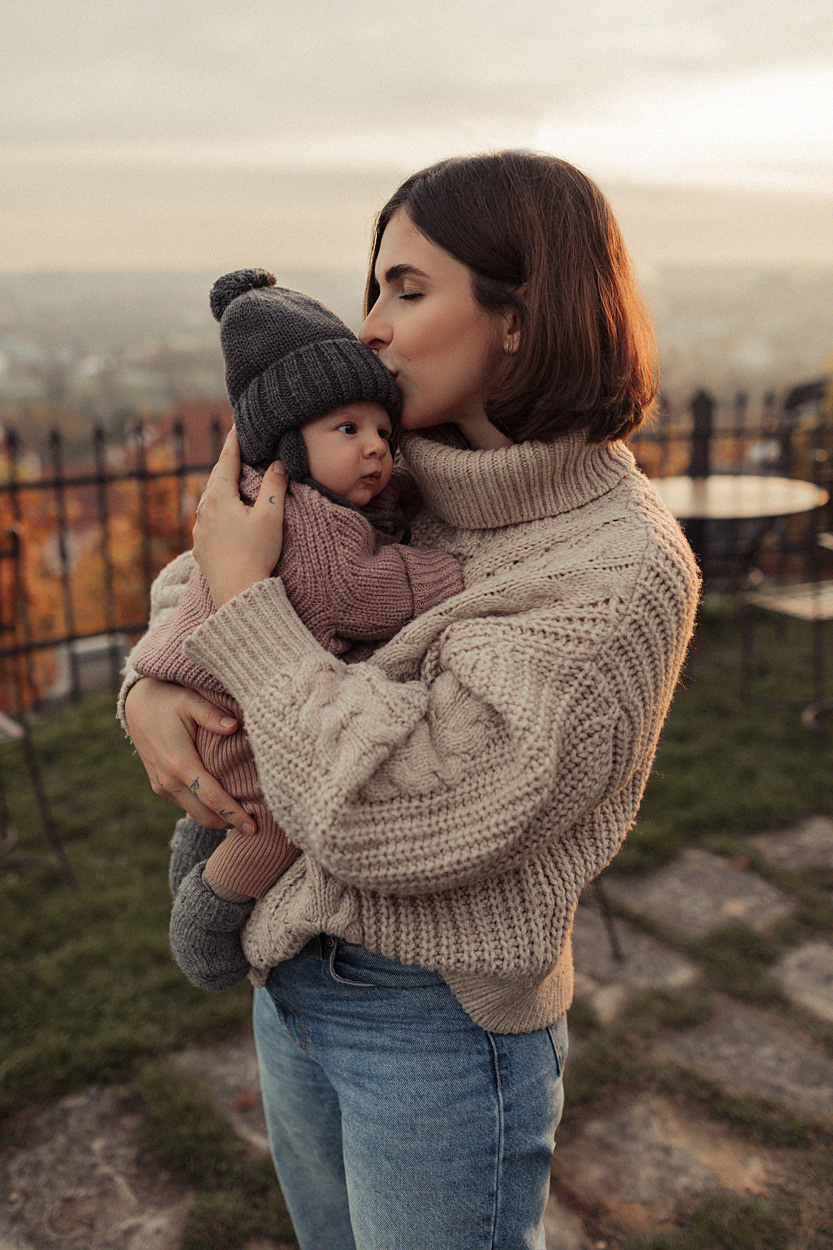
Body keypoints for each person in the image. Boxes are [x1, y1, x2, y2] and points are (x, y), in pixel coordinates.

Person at [120, 151, 700, 1250]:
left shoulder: (616, 568)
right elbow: (206, 566)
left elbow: (400, 812)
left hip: (433, 1022)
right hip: (288, 970)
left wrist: (241, 610)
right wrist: (151, 683)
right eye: (371, 285)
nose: (370, 324)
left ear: (518, 318)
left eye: (406, 287)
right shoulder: (388, 465)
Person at [131, 269, 464, 991]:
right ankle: (210, 917)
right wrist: (449, 574)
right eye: (347, 430)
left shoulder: (262, 504)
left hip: (203, 705)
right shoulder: (313, 531)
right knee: (268, 823)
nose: (376, 447)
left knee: (215, 812)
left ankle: (193, 854)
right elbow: (361, 592)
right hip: (244, 727)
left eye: (382, 429)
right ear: (285, 446)